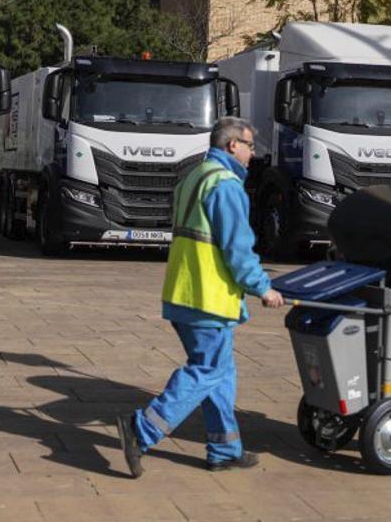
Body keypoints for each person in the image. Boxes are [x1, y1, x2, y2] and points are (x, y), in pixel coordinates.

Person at [117, 117, 284, 477]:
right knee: (207, 370)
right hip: (208, 299)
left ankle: (224, 449)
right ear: (231, 145)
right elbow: (237, 251)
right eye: (250, 145)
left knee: (220, 372)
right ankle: (141, 430)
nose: (253, 154)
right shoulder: (226, 186)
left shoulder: (193, 178)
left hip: (183, 293)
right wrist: (263, 287)